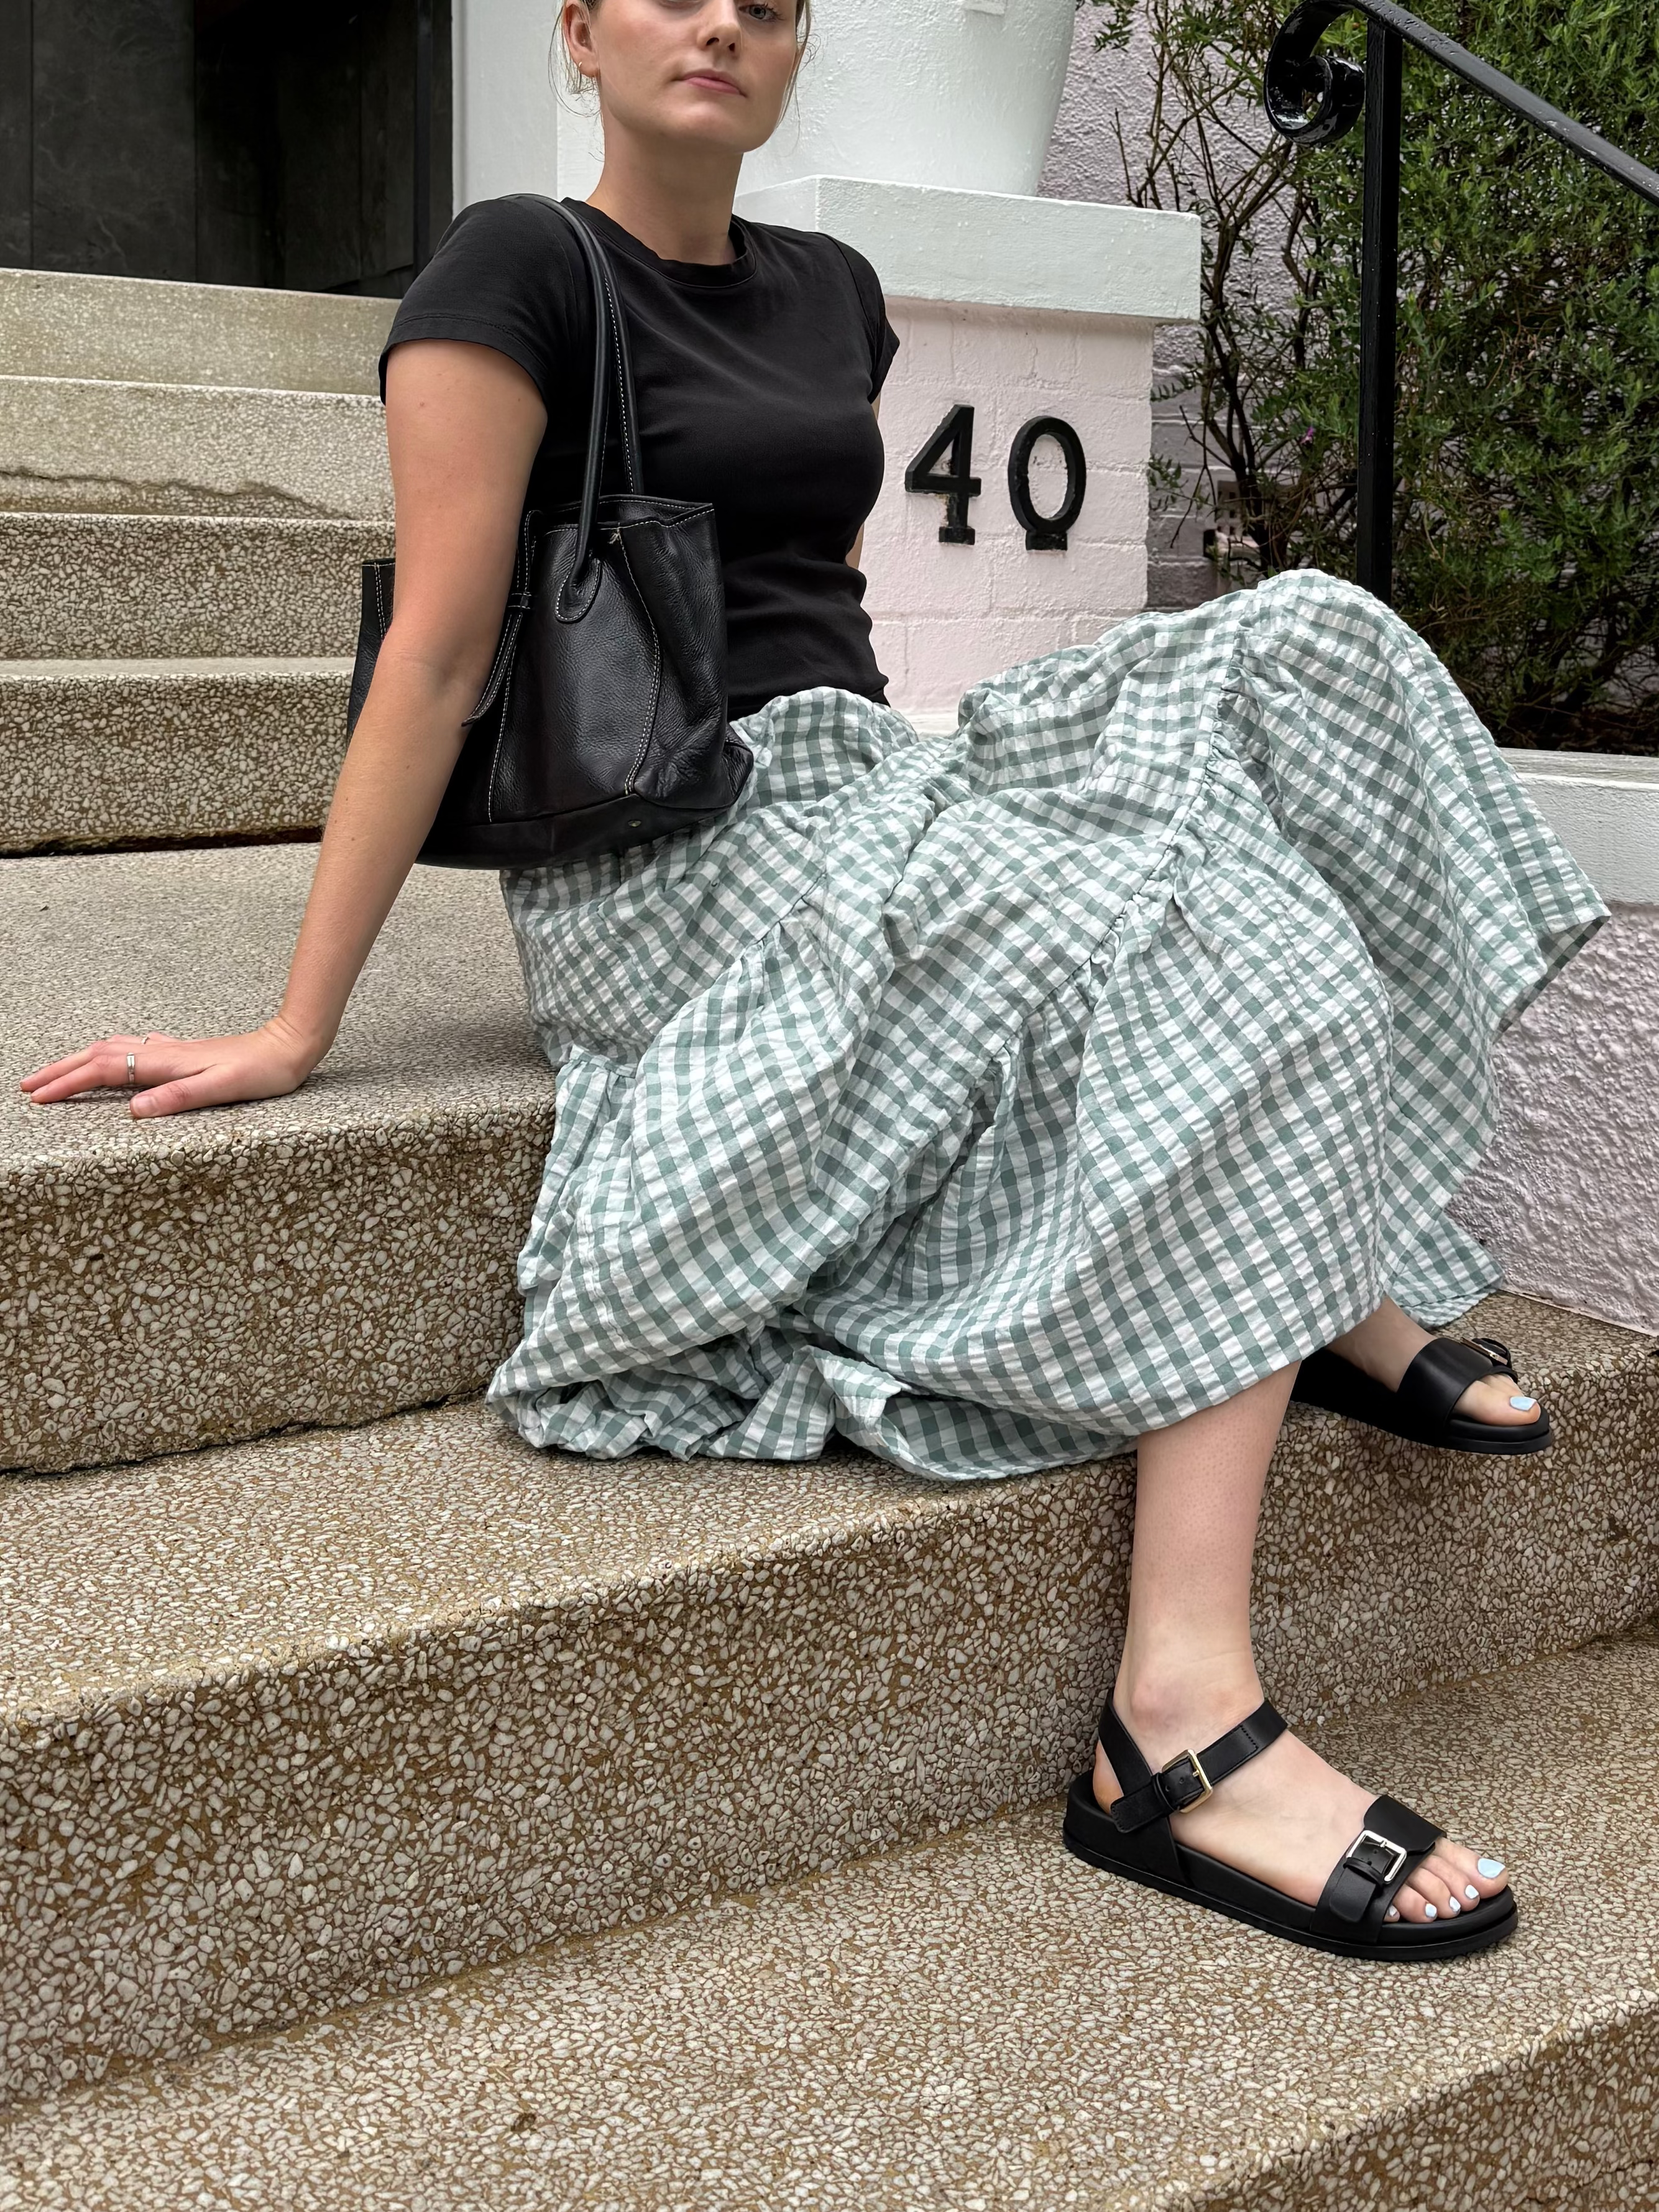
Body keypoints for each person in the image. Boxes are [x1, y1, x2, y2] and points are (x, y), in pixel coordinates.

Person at [22, 0, 1602, 1959]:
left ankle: (1305, 1250)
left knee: (1302, 648)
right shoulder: (513, 267)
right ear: (577, 35)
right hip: (673, 857)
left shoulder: (835, 290)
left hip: (856, 781)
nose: (720, 24)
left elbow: (820, 609)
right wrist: (294, 1021)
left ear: (791, 55)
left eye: (765, 2)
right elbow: (433, 658)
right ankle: (1176, 1714)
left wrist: (959, 801)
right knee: (1229, 936)